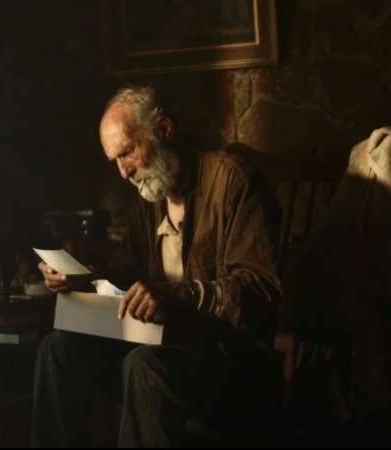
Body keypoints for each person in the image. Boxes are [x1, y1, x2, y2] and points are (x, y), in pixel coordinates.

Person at [31, 85, 283, 447]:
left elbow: (261, 289)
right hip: (164, 348)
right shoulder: (151, 197)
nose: (124, 172)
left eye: (127, 152)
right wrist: (81, 278)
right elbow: (125, 271)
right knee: (58, 348)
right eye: (115, 160)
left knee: (144, 365)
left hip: (229, 363)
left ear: (164, 129)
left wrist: (180, 294)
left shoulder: (234, 181)